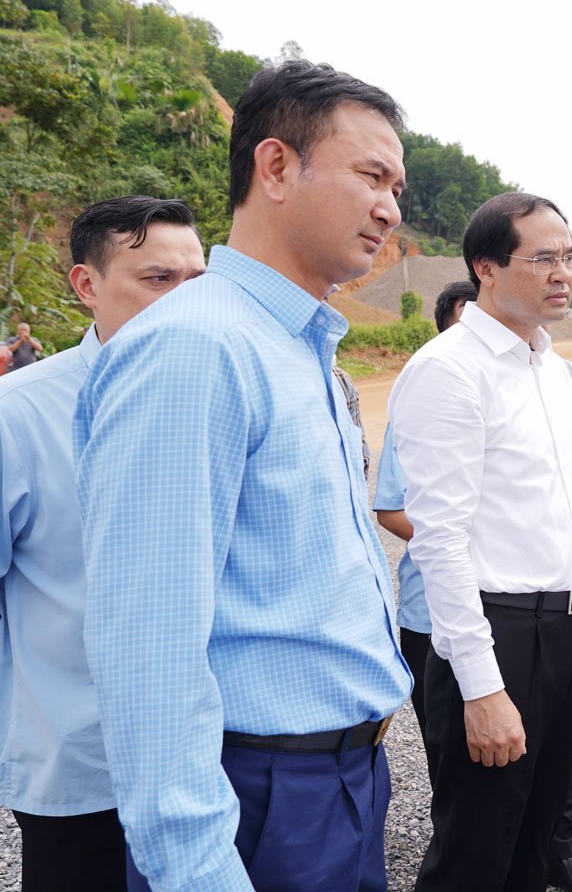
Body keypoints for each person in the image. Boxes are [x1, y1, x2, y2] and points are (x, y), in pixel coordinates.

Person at [74, 61, 414, 892]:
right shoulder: (198, 348)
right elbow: (149, 644)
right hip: (260, 792)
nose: (392, 207)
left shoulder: (299, 346)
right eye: (372, 174)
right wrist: (194, 868)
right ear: (275, 167)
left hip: (346, 778)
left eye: (398, 185)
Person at [390, 192, 572, 892]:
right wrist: (482, 686)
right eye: (544, 258)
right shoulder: (449, 370)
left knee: (532, 847)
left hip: (567, 628)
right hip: (496, 634)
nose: (563, 273)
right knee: (474, 853)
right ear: (485, 266)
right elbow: (440, 540)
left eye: (569, 257)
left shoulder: (555, 371)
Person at [0, 196, 204, 892]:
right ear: (86, 286)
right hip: (86, 771)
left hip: (208, 764)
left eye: (196, 282)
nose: (184, 302)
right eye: (157, 279)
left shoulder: (217, 398)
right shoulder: (20, 416)